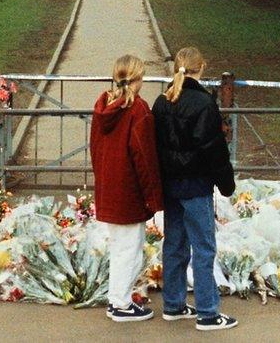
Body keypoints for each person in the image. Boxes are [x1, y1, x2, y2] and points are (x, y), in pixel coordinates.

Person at [152, 46, 237, 331]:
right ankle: (207, 312)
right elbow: (213, 149)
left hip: (170, 184)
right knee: (203, 247)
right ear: (201, 69)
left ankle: (174, 304)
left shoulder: (162, 102)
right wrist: (226, 184)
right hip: (196, 185)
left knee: (174, 244)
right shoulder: (203, 104)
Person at [90, 54, 163, 322]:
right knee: (130, 249)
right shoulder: (139, 110)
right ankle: (119, 303)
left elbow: (95, 148)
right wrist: (153, 197)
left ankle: (117, 298)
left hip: (109, 186)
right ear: (137, 79)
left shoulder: (103, 105)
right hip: (129, 190)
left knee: (119, 247)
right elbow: (144, 158)